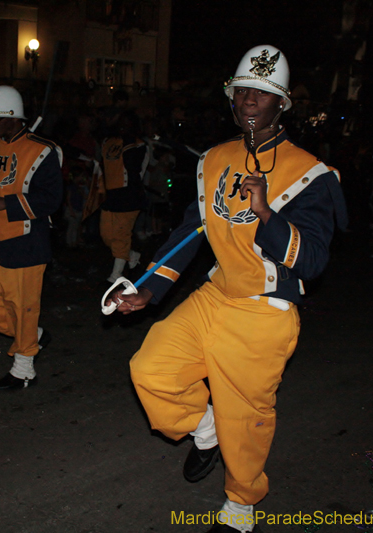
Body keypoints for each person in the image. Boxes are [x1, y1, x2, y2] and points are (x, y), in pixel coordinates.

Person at [111, 46, 347, 532]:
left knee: (247, 419)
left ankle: (241, 505)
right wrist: (147, 289)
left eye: (262, 93)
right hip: (215, 295)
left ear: (282, 103)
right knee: (150, 368)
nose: (248, 101)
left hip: (266, 310)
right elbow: (190, 234)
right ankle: (204, 428)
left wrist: (266, 214)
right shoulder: (213, 159)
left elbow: (316, 261)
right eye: (242, 91)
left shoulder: (311, 174)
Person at [0, 85, 63, 391]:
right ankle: (31, 334)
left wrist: (5, 204)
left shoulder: (43, 150)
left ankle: (24, 370)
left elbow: (51, 200)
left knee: (22, 307)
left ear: (14, 118)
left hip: (27, 240)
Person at [100, 110, 150, 282]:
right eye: (121, 123)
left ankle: (116, 275)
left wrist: (129, 141)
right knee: (107, 235)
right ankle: (131, 254)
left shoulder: (140, 145)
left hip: (130, 196)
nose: (123, 126)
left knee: (121, 235)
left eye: (127, 124)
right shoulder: (108, 142)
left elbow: (134, 167)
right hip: (111, 196)